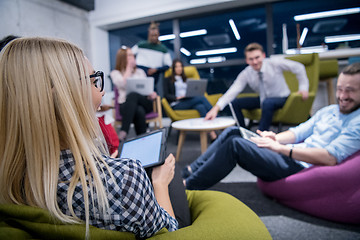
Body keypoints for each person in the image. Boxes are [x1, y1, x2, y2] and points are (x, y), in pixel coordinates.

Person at [0, 37, 190, 239]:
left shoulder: (11, 177)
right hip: (162, 219)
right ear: (65, 97)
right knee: (168, 167)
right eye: (93, 81)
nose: (102, 91)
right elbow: (169, 232)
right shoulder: (127, 178)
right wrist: (159, 184)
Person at [183, 63, 360, 190]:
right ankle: (191, 169)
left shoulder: (357, 121)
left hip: (297, 165)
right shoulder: (329, 110)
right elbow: (298, 131)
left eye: (350, 90)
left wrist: (283, 149)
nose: (342, 95)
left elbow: (330, 158)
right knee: (234, 131)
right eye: (340, 89)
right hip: (289, 152)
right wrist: (276, 138)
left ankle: (188, 186)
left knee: (235, 145)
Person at [205, 43, 309, 131]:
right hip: (263, 99)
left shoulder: (274, 63)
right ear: (247, 60)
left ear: (263, 55)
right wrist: (216, 108)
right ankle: (242, 132)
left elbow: (299, 67)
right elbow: (233, 90)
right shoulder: (246, 73)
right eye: (251, 59)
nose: (255, 62)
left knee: (268, 102)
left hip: (282, 98)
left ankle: (261, 136)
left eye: (257, 57)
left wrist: (303, 88)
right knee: (235, 103)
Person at [110, 46, 158, 141]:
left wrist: (153, 94)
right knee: (138, 110)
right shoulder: (115, 73)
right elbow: (122, 83)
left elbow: (147, 88)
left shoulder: (140, 72)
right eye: (129, 55)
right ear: (122, 57)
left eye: (133, 55)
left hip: (145, 103)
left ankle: (124, 131)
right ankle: (143, 138)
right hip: (125, 106)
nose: (132, 57)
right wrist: (128, 68)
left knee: (133, 95)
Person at [163, 59, 217, 141]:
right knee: (201, 98)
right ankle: (217, 117)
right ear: (173, 68)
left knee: (201, 107)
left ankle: (212, 134)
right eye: (176, 66)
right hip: (177, 103)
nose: (179, 68)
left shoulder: (186, 79)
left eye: (180, 66)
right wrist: (177, 97)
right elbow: (166, 95)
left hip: (188, 100)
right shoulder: (168, 80)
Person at [132, 21, 172, 87]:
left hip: (154, 74)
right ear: (149, 35)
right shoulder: (141, 44)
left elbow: (168, 65)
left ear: (158, 35)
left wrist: (156, 69)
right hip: (140, 72)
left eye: (155, 35)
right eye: (152, 35)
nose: (153, 37)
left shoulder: (163, 49)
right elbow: (130, 55)